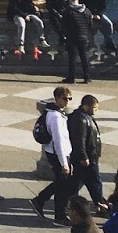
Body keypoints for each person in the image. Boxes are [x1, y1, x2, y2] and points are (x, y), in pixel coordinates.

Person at [31, 87, 75, 223]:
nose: (67, 101)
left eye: (69, 98)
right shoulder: (55, 116)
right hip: (58, 154)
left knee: (61, 183)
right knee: (62, 185)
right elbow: (58, 140)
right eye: (64, 98)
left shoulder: (54, 113)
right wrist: (64, 163)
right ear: (56, 98)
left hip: (56, 152)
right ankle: (57, 213)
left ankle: (42, 201)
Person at [68, 94, 106, 211]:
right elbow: (80, 139)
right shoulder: (81, 119)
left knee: (77, 181)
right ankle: (100, 204)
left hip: (88, 156)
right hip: (88, 157)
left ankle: (70, 201)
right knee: (95, 181)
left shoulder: (84, 117)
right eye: (94, 107)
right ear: (86, 106)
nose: (96, 110)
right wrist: (84, 156)